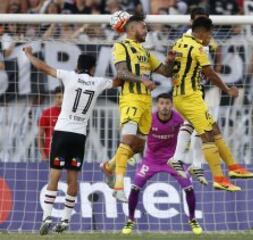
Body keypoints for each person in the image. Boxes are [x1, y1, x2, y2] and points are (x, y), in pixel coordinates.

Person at [23, 46, 123, 235]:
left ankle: (46, 217)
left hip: (62, 133)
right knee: (73, 178)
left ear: (77, 67)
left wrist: (29, 55)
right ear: (93, 69)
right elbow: (119, 81)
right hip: (79, 136)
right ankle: (66, 220)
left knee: (54, 174)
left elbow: (44, 68)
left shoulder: (69, 76)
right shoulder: (98, 82)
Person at [169, 8, 253, 185]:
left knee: (202, 127)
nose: (209, 32)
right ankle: (212, 173)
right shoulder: (196, 43)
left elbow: (214, 59)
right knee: (208, 131)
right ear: (193, 24)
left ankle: (194, 163)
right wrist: (226, 88)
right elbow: (209, 71)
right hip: (191, 92)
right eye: (202, 23)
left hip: (195, 89)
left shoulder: (186, 41)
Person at [100, 14, 175, 202]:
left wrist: (171, 60)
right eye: (143, 27)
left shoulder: (145, 52)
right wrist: (142, 79)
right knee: (126, 141)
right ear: (132, 29)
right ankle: (119, 187)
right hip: (131, 99)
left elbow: (165, 72)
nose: (146, 30)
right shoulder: (120, 46)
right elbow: (122, 72)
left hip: (145, 103)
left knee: (138, 145)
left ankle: (109, 166)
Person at [121, 93, 202, 235]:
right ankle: (130, 220)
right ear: (157, 105)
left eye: (167, 103)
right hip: (151, 160)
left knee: (189, 188)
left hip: (172, 161)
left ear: (171, 105)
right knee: (135, 187)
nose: (164, 106)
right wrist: (131, 153)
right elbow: (137, 136)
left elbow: (190, 130)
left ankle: (193, 219)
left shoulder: (178, 119)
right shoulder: (149, 119)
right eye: (161, 103)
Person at [38, 86, 63, 161]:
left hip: (67, 153)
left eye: (63, 97)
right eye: (58, 97)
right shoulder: (47, 113)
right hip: (51, 154)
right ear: (54, 98)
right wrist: (43, 155)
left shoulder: (69, 114)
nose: (61, 100)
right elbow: (40, 136)